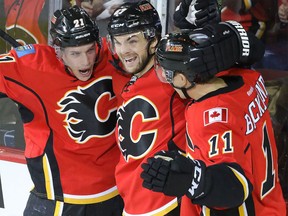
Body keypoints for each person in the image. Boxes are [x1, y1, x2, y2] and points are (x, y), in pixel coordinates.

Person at [106, 0, 265, 215]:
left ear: (153, 40)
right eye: (119, 42)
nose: (124, 50)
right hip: (132, 202)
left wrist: (201, 29)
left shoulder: (172, 73)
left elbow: (247, 53)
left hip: (168, 201)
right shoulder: (119, 70)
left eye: (132, 41)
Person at [140, 24, 286, 215]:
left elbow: (235, 186)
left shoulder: (210, 119)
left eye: (167, 73)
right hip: (271, 201)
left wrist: (193, 180)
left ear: (183, 79)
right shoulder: (251, 79)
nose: (166, 80)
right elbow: (249, 48)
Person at [0, 5, 125, 215]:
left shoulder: (114, 55)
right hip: (60, 201)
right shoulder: (32, 68)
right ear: (58, 50)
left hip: (115, 195)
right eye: (75, 53)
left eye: (89, 50)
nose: (86, 61)